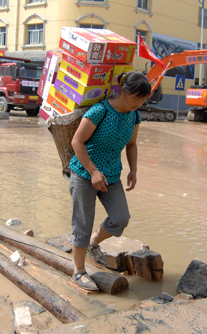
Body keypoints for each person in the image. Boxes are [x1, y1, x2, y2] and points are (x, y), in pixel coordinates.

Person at [68, 72, 151, 291]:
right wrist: (93, 171)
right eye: (136, 98)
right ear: (123, 91)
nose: (140, 103)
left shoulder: (134, 116)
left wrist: (133, 169)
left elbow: (131, 144)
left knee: (120, 217)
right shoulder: (100, 111)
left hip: (111, 173)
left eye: (144, 99)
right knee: (82, 223)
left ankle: (94, 244)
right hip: (85, 173)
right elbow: (77, 142)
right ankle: (78, 272)